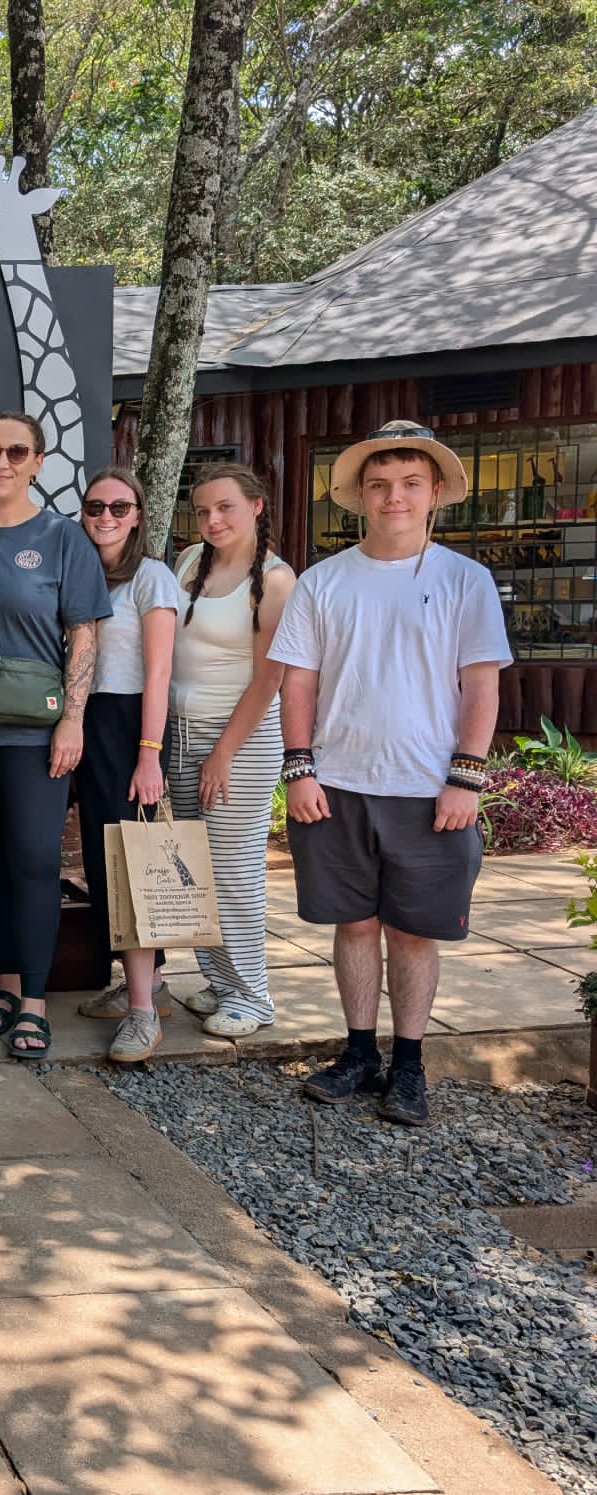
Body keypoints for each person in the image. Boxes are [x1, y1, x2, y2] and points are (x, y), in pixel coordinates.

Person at [272, 422, 510, 1128]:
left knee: (413, 932)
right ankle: (358, 1053)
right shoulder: (323, 582)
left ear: (435, 492)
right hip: (337, 784)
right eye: (379, 485)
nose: (394, 497)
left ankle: (409, 1063)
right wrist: (300, 770)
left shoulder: (465, 580)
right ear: (360, 497)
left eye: (410, 483)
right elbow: (299, 687)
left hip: (428, 790)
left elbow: (482, 687)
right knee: (352, 925)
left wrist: (466, 778)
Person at [0, 412, 110, 1060]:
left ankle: (36, 1000)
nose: (3, 460)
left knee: (34, 863)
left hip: (33, 734)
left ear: (37, 462)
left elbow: (83, 632)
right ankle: (4, 983)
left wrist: (72, 720)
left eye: (16, 450)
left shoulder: (60, 539)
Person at [165, 465, 296, 1037]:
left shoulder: (275, 580)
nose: (212, 520)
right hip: (181, 732)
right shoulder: (190, 561)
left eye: (225, 508)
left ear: (256, 507)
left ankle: (253, 996)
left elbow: (269, 680)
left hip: (238, 738)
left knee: (234, 871)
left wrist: (222, 753)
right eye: (202, 511)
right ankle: (220, 982)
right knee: (197, 869)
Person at [71, 467, 179, 1062]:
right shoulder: (82, 572)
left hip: (126, 722)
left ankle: (142, 1014)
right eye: (95, 507)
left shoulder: (151, 578)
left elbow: (159, 672)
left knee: (129, 866)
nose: (106, 517)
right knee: (99, 862)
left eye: (119, 507)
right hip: (79, 717)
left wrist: (148, 753)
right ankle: (149, 987)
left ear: (138, 514)